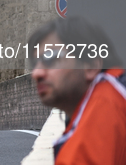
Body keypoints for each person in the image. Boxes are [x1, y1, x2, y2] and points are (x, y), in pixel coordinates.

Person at [28, 16, 126, 164]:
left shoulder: (105, 104)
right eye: (36, 63)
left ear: (91, 65)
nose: (36, 73)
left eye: (50, 58)